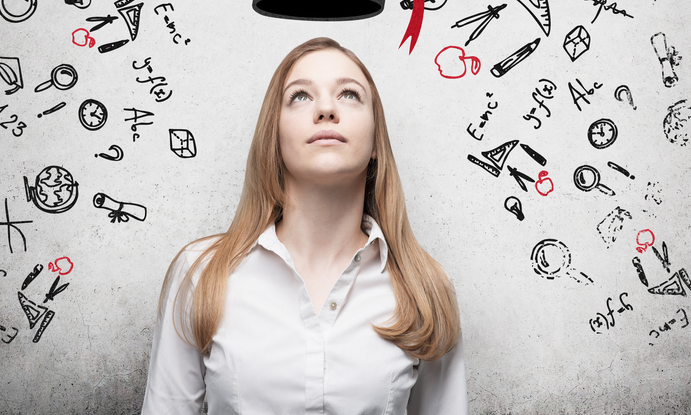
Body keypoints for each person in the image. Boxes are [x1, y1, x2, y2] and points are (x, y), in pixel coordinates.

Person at [141, 37, 467, 414]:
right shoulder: (201, 274)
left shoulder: (425, 288)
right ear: (274, 137)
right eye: (300, 96)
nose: (326, 108)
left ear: (376, 139)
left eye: (349, 94)